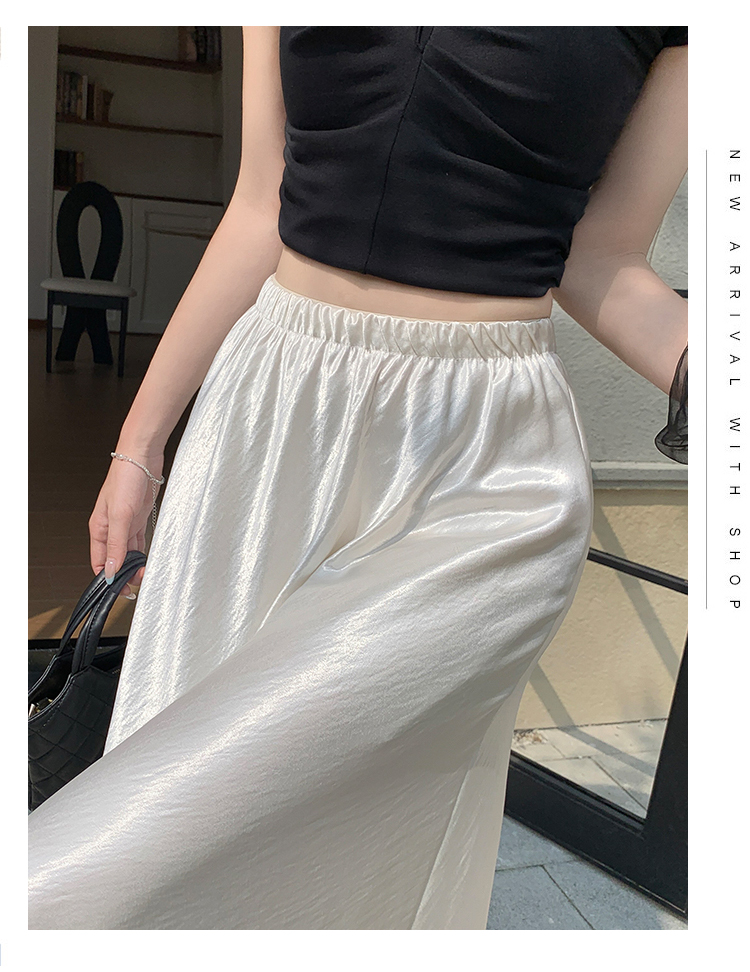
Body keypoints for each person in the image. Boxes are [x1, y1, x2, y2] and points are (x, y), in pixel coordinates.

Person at [28, 26, 688, 930]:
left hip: (489, 462)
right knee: (184, 802)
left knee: (284, 816)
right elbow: (261, 203)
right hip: (268, 418)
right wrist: (139, 446)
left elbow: (601, 258)